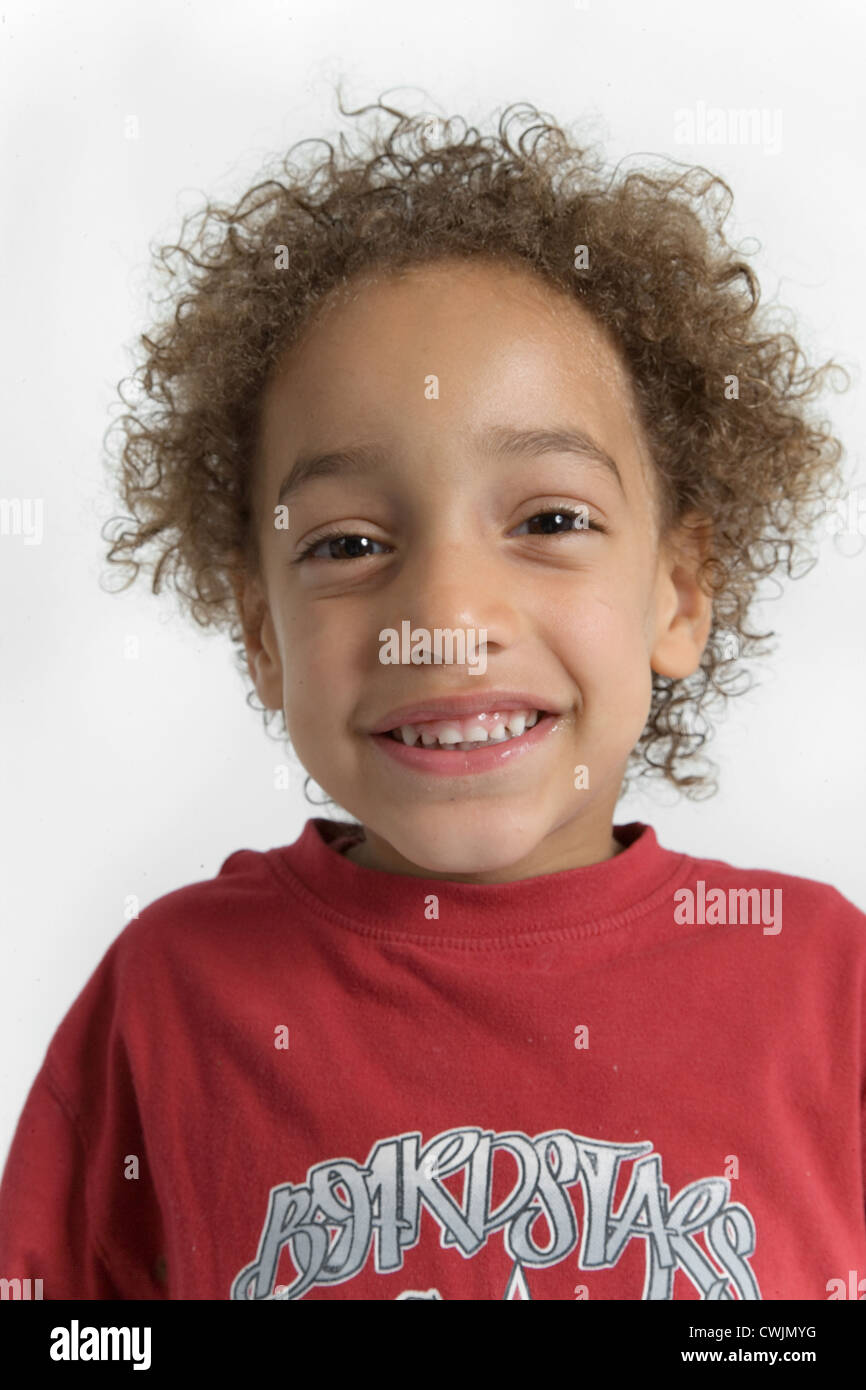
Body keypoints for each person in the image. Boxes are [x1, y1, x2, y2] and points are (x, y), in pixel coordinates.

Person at [1, 97, 862, 1301]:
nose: (446, 616)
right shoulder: (169, 993)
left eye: (549, 520)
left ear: (676, 592)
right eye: (349, 544)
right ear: (262, 633)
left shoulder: (826, 987)